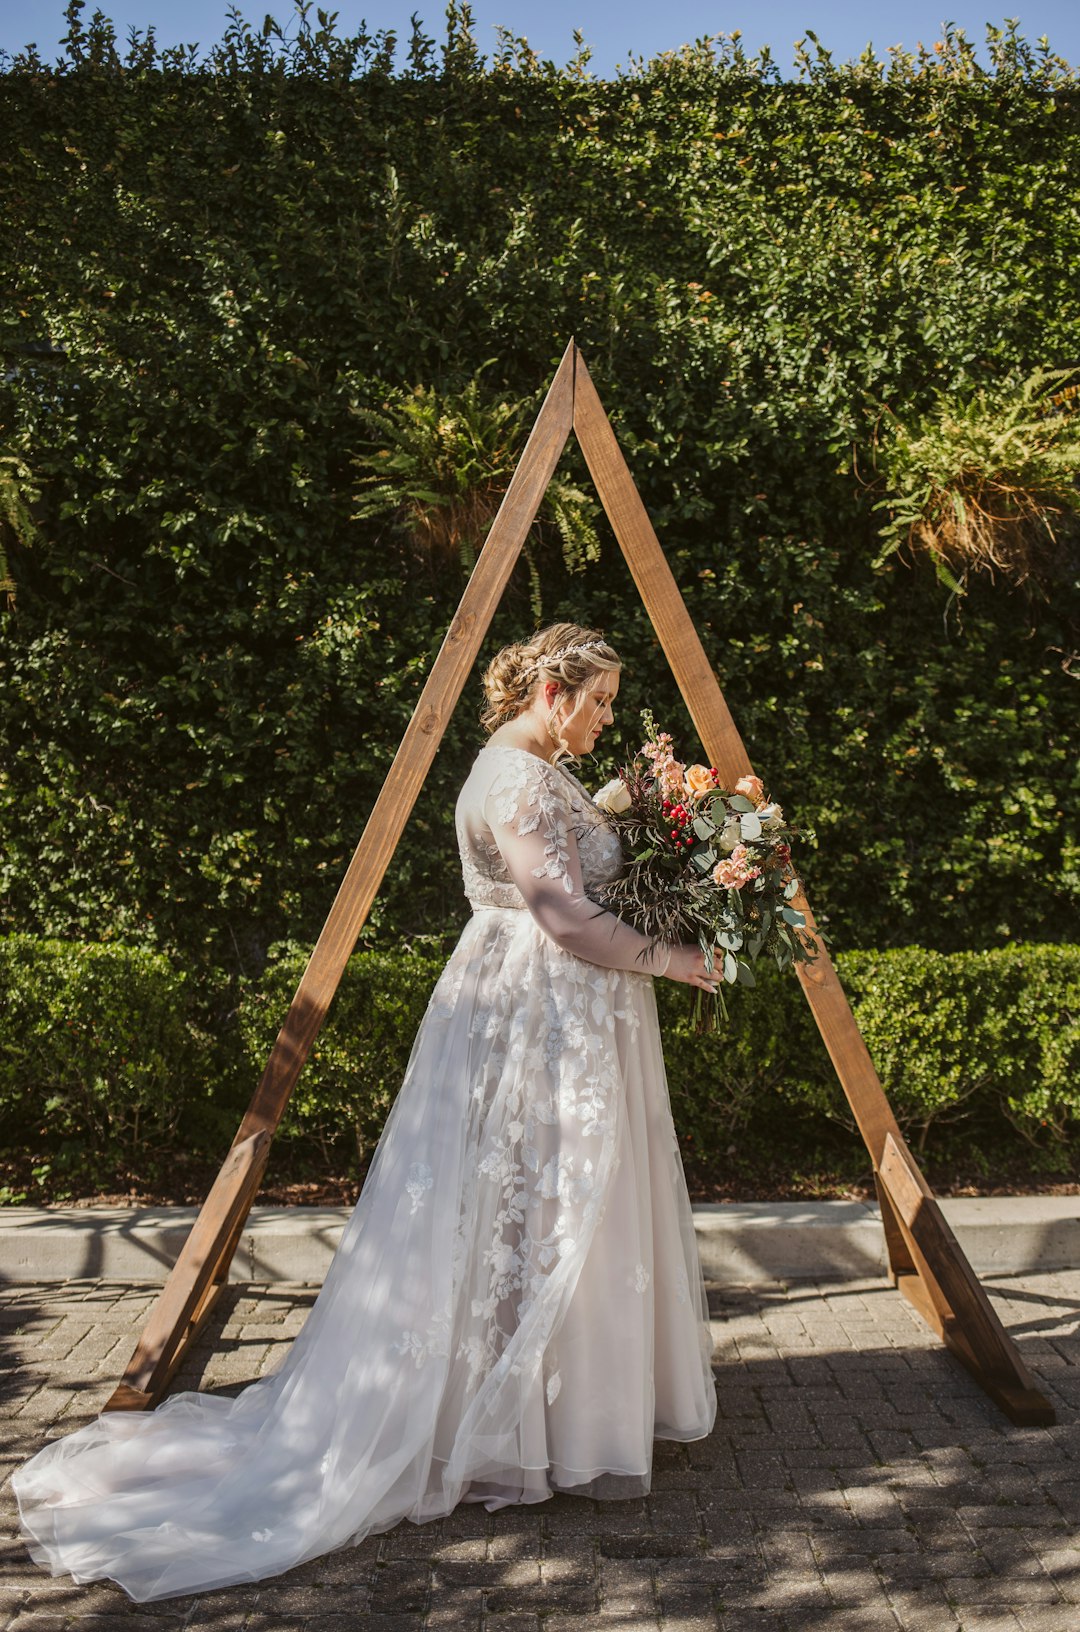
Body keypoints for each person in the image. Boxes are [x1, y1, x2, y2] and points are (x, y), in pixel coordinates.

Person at [13, 621, 720, 1602]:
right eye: (598, 699)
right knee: (526, 1204)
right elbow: (560, 916)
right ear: (552, 691)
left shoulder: (542, 771)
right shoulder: (512, 779)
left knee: (560, 1210)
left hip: (571, 1012)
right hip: (532, 1014)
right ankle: (502, 1418)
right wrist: (680, 959)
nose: (608, 718)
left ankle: (560, 1410)